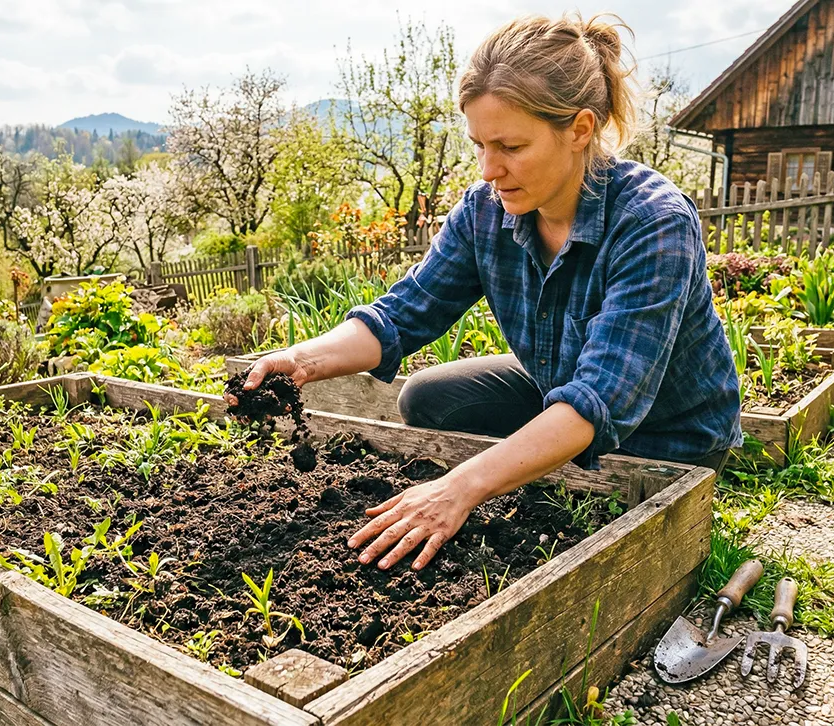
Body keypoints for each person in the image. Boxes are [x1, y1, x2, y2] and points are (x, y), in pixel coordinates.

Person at [230, 13, 742, 573]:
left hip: (668, 437)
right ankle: (535, 458)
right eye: (478, 145)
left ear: (579, 129)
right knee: (427, 398)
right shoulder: (486, 212)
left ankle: (542, 465)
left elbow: (599, 398)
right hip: (563, 391)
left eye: (510, 146)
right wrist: (301, 361)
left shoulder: (652, 221)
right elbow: (404, 313)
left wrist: (459, 487)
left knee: (592, 505)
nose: (489, 169)